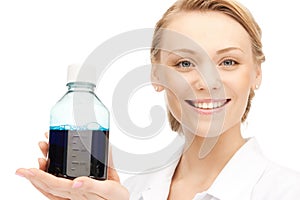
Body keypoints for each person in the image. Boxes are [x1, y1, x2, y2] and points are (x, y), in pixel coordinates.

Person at [16, 0, 300, 199]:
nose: (207, 82)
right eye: (185, 64)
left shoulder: (287, 192)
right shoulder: (135, 190)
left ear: (257, 74)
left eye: (228, 61)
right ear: (156, 77)